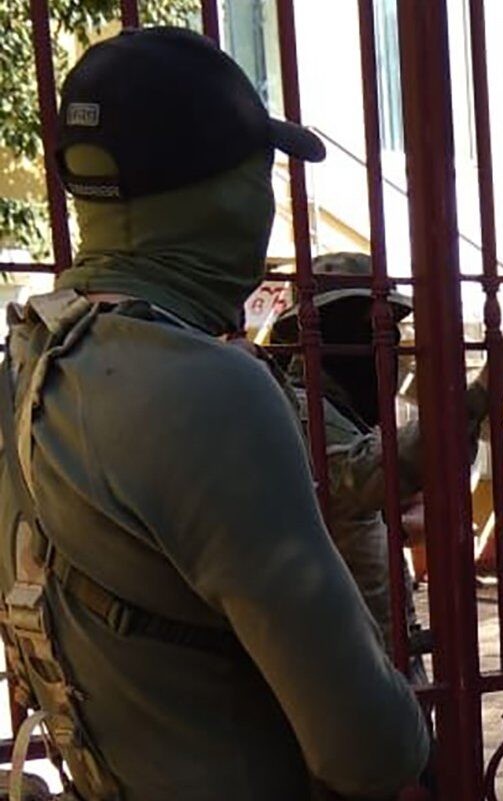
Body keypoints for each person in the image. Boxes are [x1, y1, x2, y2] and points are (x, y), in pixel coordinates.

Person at [0, 28, 424, 801]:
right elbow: (371, 746)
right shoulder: (208, 388)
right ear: (224, 194)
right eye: (262, 174)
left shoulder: (31, 363)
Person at [270, 251, 503, 674]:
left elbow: (409, 486)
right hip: (341, 667)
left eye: (387, 328)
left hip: (378, 651)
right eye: (361, 326)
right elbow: (362, 477)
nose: (384, 342)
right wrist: (474, 395)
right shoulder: (302, 409)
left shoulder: (348, 411)